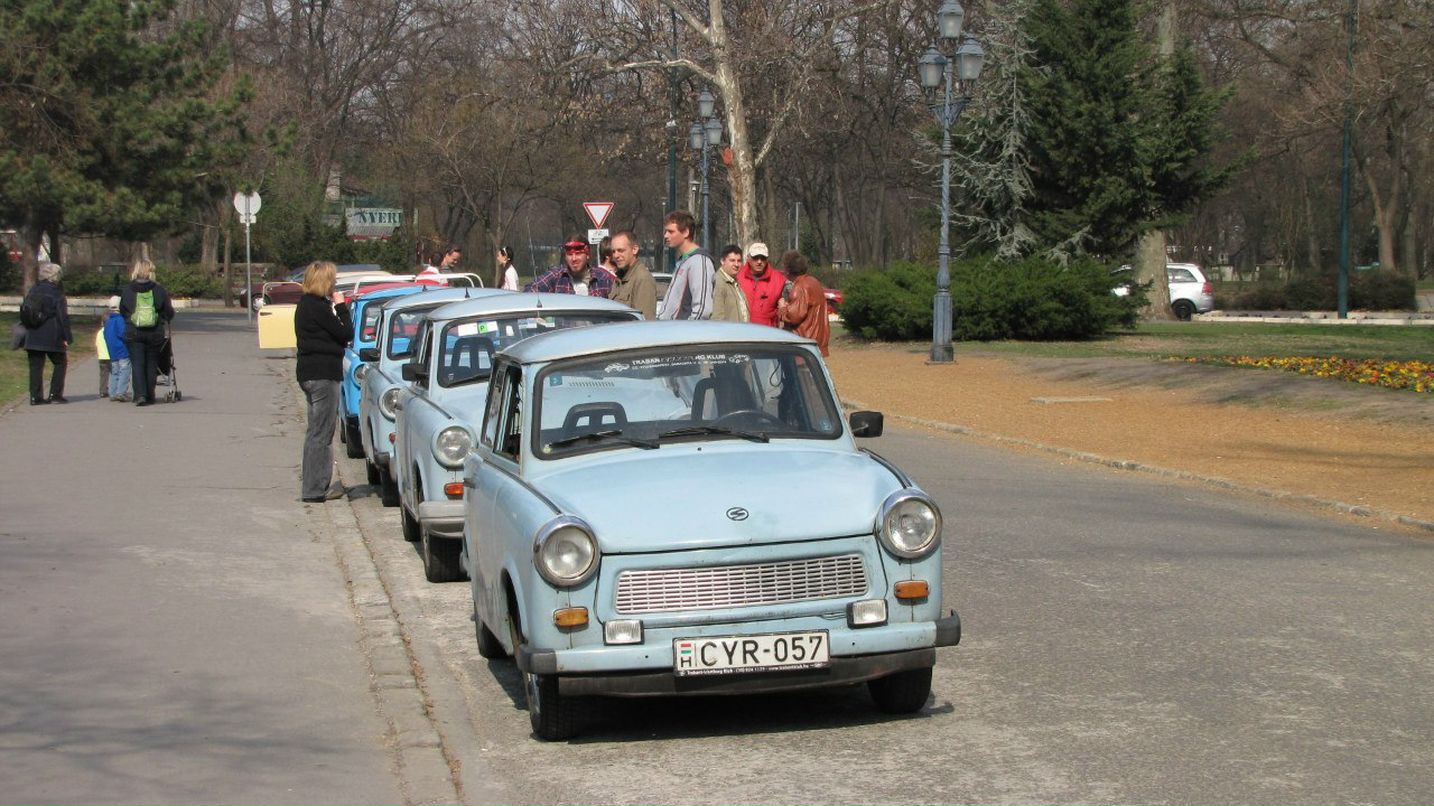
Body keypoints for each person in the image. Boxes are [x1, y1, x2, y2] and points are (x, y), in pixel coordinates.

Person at [293, 260, 352, 503]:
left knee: (314, 432)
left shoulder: (305, 305)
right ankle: (316, 489)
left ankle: (311, 486)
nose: (335, 284)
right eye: (333, 280)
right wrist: (341, 306)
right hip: (323, 374)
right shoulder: (317, 307)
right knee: (322, 434)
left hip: (308, 372)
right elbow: (346, 333)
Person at [120, 259, 176, 406]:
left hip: (134, 331)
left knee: (137, 363)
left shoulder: (128, 289)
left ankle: (140, 395)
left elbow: (123, 310)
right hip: (154, 332)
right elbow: (168, 312)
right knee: (151, 363)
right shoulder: (159, 290)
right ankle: (150, 395)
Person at [21, 262, 71, 405]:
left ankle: (35, 396)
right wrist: (67, 337)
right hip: (51, 334)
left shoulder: (33, 290)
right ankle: (55, 394)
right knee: (60, 362)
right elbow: (62, 317)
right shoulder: (56, 293)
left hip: (33, 333)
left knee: (35, 367)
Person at [656, 210, 714, 320]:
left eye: (671, 231)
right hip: (669, 329)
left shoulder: (699, 261)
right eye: (665, 231)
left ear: (686, 232)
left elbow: (702, 309)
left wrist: (688, 330)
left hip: (683, 330)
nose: (666, 235)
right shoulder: (683, 261)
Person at [776, 250, 830, 356]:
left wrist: (782, 308)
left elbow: (794, 317)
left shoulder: (800, 287)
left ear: (788, 270)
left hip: (804, 344)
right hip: (817, 342)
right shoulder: (813, 281)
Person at [524, 237, 614, 297]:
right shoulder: (556, 276)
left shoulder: (604, 279)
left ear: (587, 255)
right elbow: (530, 290)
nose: (574, 259)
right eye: (570, 254)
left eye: (578, 254)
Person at [607, 230, 657, 319]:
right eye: (613, 251)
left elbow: (645, 320)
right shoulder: (620, 278)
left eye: (620, 250)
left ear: (634, 249)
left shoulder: (642, 279)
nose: (616, 255)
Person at [737, 241, 786, 327]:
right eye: (755, 258)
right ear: (748, 258)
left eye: (763, 258)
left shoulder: (779, 279)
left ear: (767, 259)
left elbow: (791, 306)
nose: (759, 261)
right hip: (741, 328)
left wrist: (784, 306)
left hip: (767, 331)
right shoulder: (737, 276)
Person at [102, 295, 132, 402]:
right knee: (124, 370)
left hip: (112, 351)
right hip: (122, 350)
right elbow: (123, 333)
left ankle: (113, 392)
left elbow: (105, 335)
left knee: (115, 371)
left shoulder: (108, 321)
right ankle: (121, 392)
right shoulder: (120, 320)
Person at [711, 244, 750, 323]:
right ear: (722, 261)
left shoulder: (734, 281)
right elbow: (717, 318)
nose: (736, 264)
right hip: (728, 330)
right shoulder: (719, 283)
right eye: (732, 260)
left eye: (739, 261)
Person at [95, 300, 112, 398]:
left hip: (102, 356)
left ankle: (103, 390)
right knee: (115, 373)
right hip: (110, 355)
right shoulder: (110, 331)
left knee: (103, 374)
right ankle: (116, 389)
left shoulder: (100, 332)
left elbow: (97, 344)